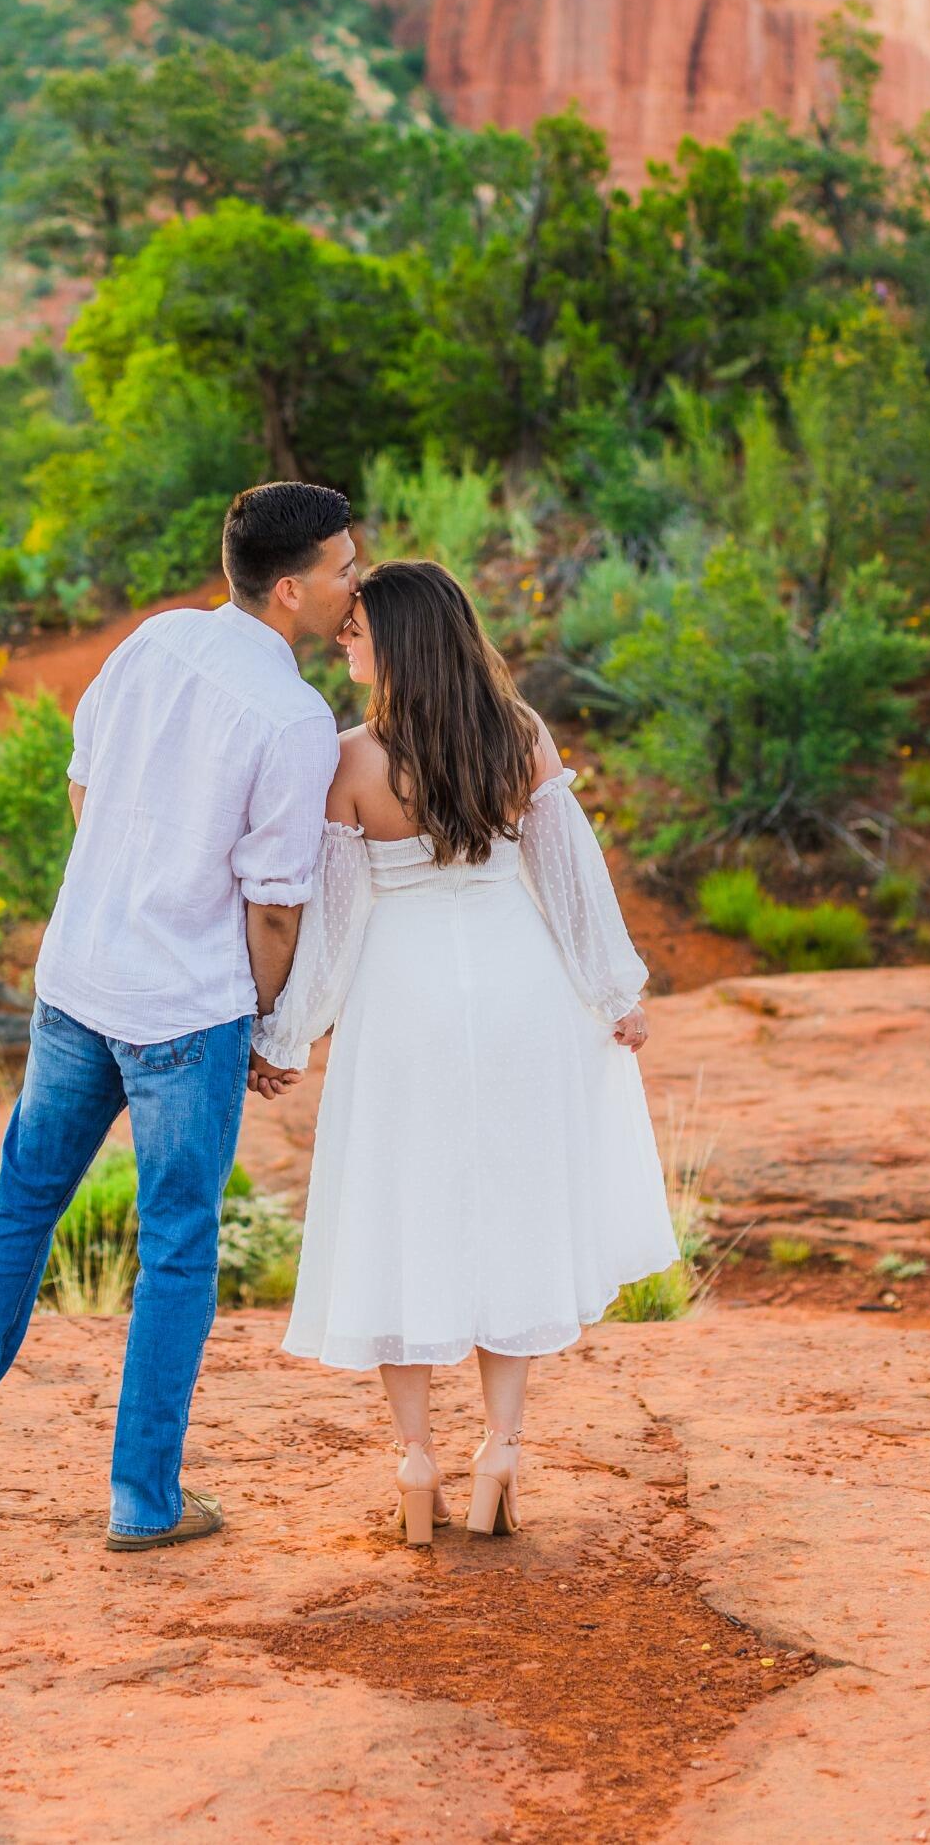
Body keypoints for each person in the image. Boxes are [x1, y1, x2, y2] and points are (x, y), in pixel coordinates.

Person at [0, 481, 357, 1549]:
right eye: (343, 568)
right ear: (290, 590)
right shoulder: (293, 719)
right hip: (183, 1013)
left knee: (20, 1204)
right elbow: (277, 904)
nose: (355, 585)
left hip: (80, 980)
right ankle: (144, 1501)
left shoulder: (154, 645)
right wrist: (262, 1021)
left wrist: (124, 882)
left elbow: (81, 787)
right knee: (178, 1249)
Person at [254, 559, 679, 1544]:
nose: (343, 642)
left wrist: (286, 1033)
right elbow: (573, 876)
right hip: (520, 990)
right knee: (509, 1209)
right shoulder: (518, 735)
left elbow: (336, 923)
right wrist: (615, 991)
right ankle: (503, 1447)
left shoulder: (350, 761)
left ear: (396, 640)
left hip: (403, 1007)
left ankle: (413, 1461)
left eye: (355, 629)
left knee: (404, 1209)